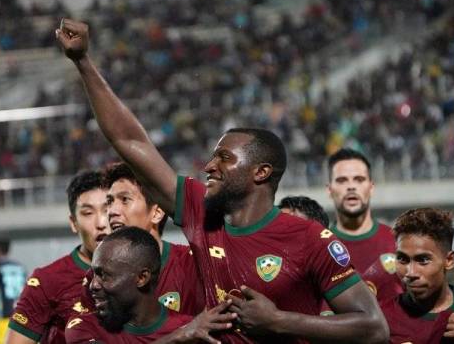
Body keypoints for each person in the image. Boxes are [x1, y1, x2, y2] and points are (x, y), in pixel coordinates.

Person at [56, 19, 388, 343]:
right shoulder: (202, 213)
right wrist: (83, 61)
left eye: (224, 158)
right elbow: (131, 142)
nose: (210, 166)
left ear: (261, 172)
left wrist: (279, 321)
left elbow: (374, 327)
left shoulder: (309, 238)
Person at [65, 226, 235, 343]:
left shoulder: (193, 331)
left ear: (142, 278)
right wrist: (175, 339)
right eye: (94, 273)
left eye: (104, 275)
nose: (93, 285)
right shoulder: (83, 327)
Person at [6, 170, 110, 344]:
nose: (101, 223)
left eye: (107, 210)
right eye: (88, 213)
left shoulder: (141, 274)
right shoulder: (47, 281)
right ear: (73, 223)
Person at [103, 162, 204, 315]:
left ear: (157, 213)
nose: (112, 211)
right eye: (110, 202)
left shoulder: (192, 265)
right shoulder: (98, 275)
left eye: (125, 199)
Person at [380, 208, 454, 343]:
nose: (410, 273)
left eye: (423, 260)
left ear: (449, 260)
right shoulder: (381, 318)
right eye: (402, 259)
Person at [327, 148, 403, 301]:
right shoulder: (318, 246)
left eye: (359, 179)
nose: (351, 187)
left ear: (371, 187)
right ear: (329, 190)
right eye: (342, 180)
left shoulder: (398, 242)